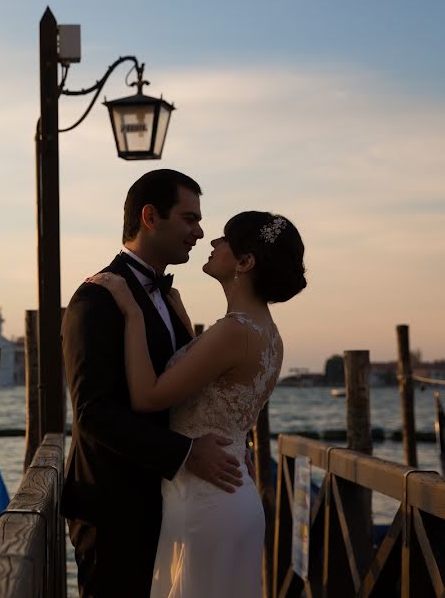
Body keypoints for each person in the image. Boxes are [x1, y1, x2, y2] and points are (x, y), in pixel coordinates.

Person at [87, 210, 306, 598]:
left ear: (245, 262)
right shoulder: (268, 333)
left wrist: (133, 312)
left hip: (205, 504)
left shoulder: (232, 331)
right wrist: (186, 330)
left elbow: (148, 396)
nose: (213, 242)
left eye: (224, 239)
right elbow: (218, 392)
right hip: (233, 496)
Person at [61, 170, 250, 598]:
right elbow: (94, 414)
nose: (200, 233)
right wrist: (186, 454)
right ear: (150, 217)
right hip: (115, 509)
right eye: (189, 219)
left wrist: (226, 445)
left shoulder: (167, 298)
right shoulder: (96, 298)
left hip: (168, 504)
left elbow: (186, 397)